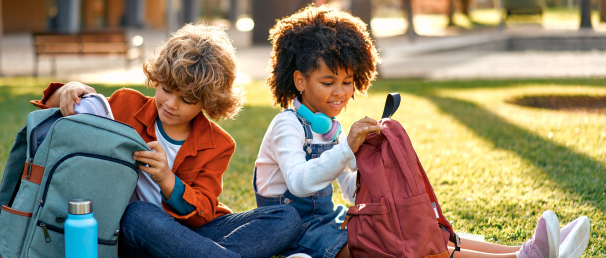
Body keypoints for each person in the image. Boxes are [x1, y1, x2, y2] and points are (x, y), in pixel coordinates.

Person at [253, 4, 591, 258]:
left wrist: (369, 158)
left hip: (328, 222)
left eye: (347, 82)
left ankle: (523, 249)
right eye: (328, 82)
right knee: (404, 244)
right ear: (300, 80)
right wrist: (346, 150)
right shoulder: (287, 125)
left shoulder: (332, 128)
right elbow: (298, 182)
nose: (340, 93)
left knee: (418, 227)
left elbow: (346, 190)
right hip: (295, 234)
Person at [31, 24, 301, 258]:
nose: (171, 105)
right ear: (157, 79)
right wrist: (68, 89)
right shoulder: (125, 105)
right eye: (166, 90)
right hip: (132, 230)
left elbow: (203, 212)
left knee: (286, 218)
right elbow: (57, 111)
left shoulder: (219, 144)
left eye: (187, 99)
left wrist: (168, 181)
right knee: (139, 214)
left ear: (208, 101)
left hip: (193, 232)